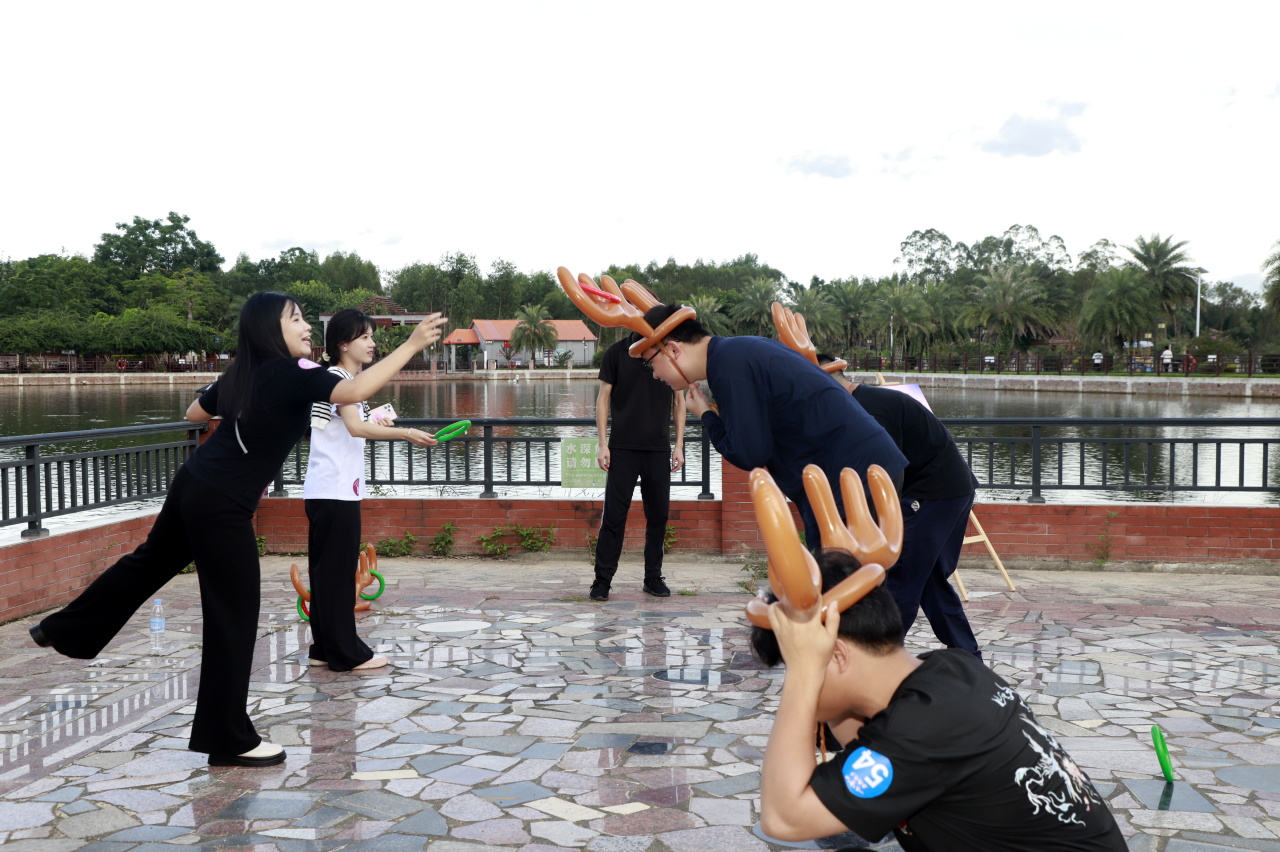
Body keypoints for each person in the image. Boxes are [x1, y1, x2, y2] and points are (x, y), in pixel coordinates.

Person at [29, 292, 447, 768]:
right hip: (222, 502)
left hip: (194, 483)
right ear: (271, 329)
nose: (307, 327)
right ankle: (227, 737)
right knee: (234, 615)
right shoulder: (296, 371)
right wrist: (412, 344)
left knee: (148, 564)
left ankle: (63, 629)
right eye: (297, 319)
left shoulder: (243, 373)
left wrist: (246, 408)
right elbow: (353, 392)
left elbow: (194, 414)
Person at [751, 549, 1127, 851]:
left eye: (792, 664)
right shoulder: (951, 669)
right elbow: (861, 746)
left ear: (835, 655)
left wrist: (804, 675)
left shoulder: (919, 730)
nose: (791, 680)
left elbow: (785, 819)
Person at [635, 305, 906, 549]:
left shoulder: (728, 366)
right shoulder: (737, 352)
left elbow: (749, 453)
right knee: (851, 580)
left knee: (844, 582)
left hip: (850, 480)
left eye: (650, 363)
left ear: (673, 349)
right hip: (860, 471)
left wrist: (706, 415)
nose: (655, 374)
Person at [816, 356, 980, 658]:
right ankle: (967, 654)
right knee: (928, 579)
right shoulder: (864, 402)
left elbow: (887, 472)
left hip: (933, 493)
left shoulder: (871, 409)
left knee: (902, 575)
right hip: (952, 489)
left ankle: (879, 657)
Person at [304, 309, 438, 671]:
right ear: (342, 344)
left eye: (371, 337)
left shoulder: (341, 380)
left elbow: (351, 424)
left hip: (326, 489)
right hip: (335, 491)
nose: (372, 343)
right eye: (364, 337)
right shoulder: (339, 379)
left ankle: (323, 648)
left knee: (326, 574)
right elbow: (355, 428)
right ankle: (346, 654)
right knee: (337, 575)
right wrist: (405, 433)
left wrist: (376, 419)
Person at [590, 333, 686, 601]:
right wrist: (602, 444)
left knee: (658, 516)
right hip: (622, 448)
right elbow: (603, 398)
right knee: (614, 517)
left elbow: (679, 401)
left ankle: (653, 577)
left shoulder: (667, 351)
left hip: (658, 449)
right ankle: (602, 580)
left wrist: (679, 445)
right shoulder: (616, 353)